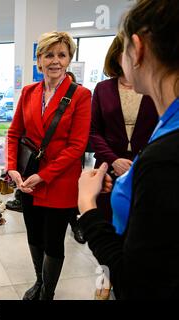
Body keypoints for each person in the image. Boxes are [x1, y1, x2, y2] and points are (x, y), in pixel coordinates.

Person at [78, 0, 179, 299]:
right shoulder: (169, 125)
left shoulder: (162, 159)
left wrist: (86, 205)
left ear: (138, 49)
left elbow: (136, 282)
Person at [6, 31, 92, 300]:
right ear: (39, 61)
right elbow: (14, 133)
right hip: (28, 180)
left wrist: (44, 176)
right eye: (49, 55)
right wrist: (12, 167)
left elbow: (77, 147)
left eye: (62, 55)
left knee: (53, 241)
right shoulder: (29, 92)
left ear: (68, 60)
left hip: (60, 181)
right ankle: (39, 280)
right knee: (34, 235)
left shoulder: (81, 95)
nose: (55, 60)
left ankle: (48, 292)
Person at [90, 32, 158, 223]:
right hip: (108, 166)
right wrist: (114, 160)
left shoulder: (153, 86)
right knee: (107, 219)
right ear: (116, 55)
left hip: (145, 164)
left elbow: (161, 129)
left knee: (140, 220)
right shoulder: (103, 88)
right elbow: (94, 131)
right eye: (126, 53)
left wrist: (140, 161)